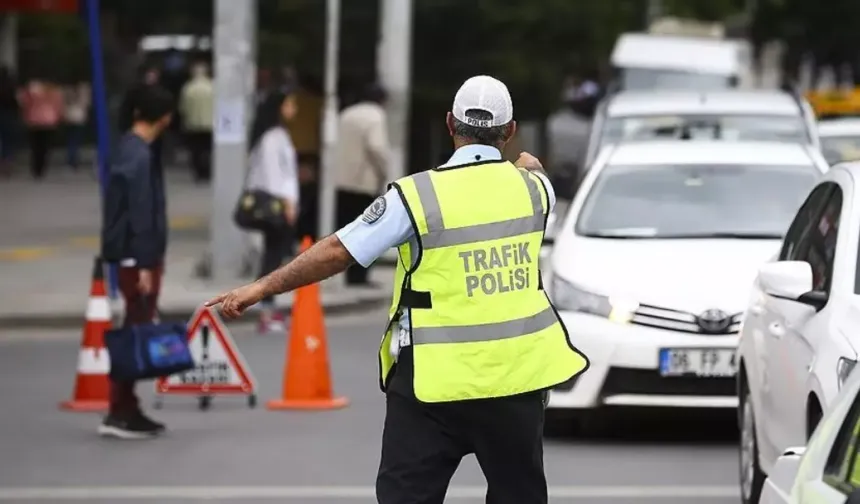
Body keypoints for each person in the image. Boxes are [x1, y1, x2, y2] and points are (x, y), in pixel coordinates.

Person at [205, 75, 589, 504]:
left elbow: (337, 250)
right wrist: (527, 166)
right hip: (516, 382)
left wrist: (260, 288)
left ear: (449, 124)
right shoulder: (536, 191)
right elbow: (533, 172)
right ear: (511, 130)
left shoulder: (416, 196)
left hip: (431, 384)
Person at [99, 86, 175, 439]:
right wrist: (145, 264)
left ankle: (125, 406)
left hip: (130, 255)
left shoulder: (128, 148)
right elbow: (141, 214)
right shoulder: (140, 156)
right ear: (165, 117)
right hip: (137, 258)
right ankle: (120, 410)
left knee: (135, 327)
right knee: (135, 331)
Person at [244, 88, 300, 334]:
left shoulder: (277, 134)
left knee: (274, 255)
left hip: (280, 204)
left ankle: (268, 307)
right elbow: (274, 176)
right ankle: (266, 310)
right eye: (290, 104)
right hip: (275, 206)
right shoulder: (271, 138)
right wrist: (287, 204)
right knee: (272, 258)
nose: (293, 110)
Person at [333, 82, 390, 287]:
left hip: (341, 180)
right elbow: (376, 146)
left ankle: (348, 275)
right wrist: (384, 170)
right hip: (363, 182)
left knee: (346, 230)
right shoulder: (376, 116)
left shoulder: (346, 114)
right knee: (367, 231)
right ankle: (359, 277)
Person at [18, 78, 63, 179]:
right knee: (45, 147)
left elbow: (25, 104)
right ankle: (41, 167)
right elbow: (58, 105)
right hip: (49, 121)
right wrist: (58, 117)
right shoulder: (54, 91)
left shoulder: (31, 89)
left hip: (34, 120)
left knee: (35, 146)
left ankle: (36, 168)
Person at [179, 62, 214, 182]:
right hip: (210, 124)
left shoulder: (188, 88)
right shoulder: (212, 87)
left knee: (196, 150)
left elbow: (183, 108)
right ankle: (208, 171)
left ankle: (199, 172)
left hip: (193, 124)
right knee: (208, 149)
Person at [63, 80, 91, 171]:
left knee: (71, 139)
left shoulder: (67, 91)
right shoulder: (83, 91)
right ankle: (73, 159)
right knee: (76, 140)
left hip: (70, 117)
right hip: (78, 117)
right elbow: (86, 104)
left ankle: (71, 159)